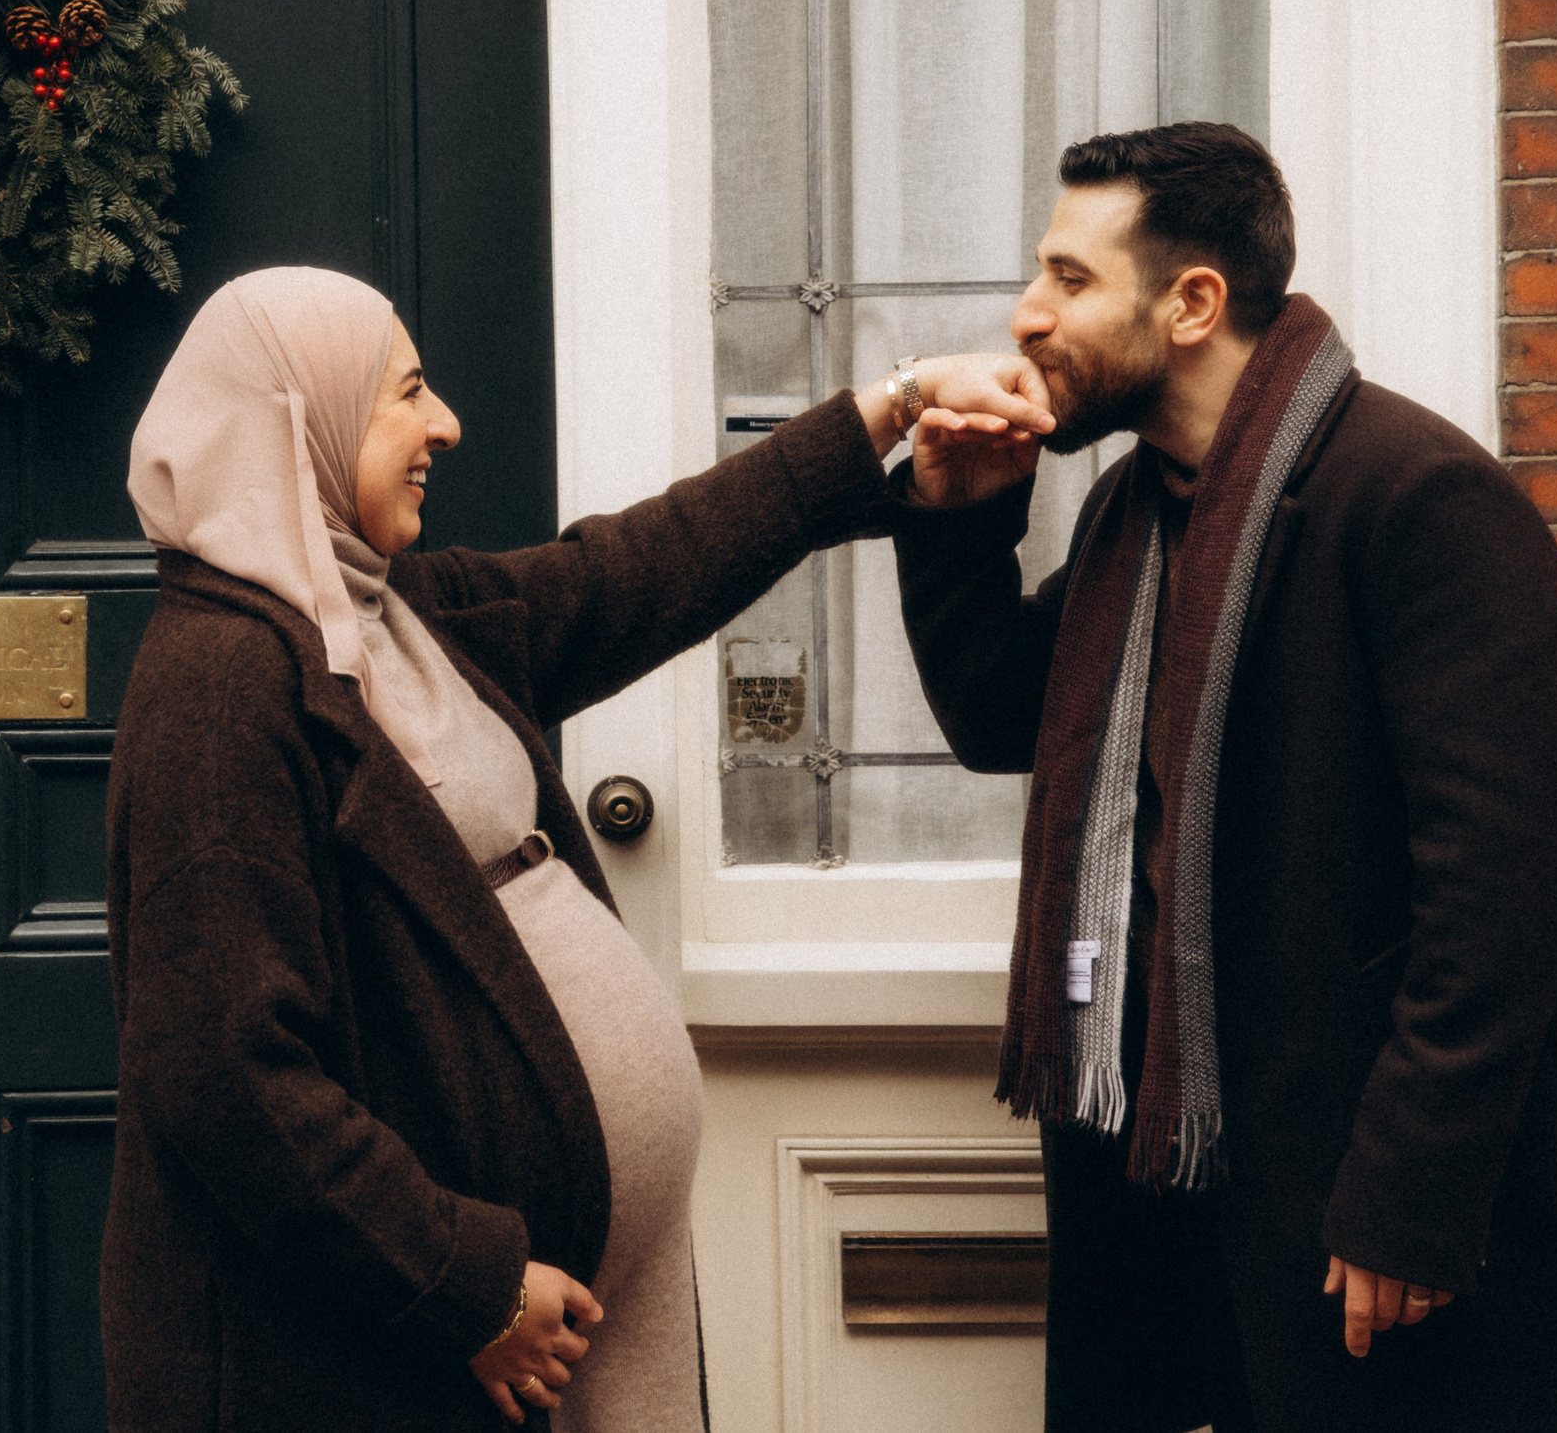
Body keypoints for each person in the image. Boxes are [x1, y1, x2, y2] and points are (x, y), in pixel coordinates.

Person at [100, 265, 1049, 1432]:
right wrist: (469, 1284)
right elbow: (227, 1081)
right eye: (405, 392)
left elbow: (650, 563)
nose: (443, 421)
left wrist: (891, 407)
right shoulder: (222, 686)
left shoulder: (400, 614)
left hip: (584, 1305)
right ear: (307, 417)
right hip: (394, 1342)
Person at [887, 122, 1557, 1432]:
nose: (1026, 314)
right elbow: (1007, 710)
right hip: (1182, 1193)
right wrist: (956, 514)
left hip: (1370, 1218)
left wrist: (1413, 1193)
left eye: (1071, 278)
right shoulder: (1143, 516)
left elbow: (1502, 895)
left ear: (1193, 302)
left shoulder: (1419, 499)